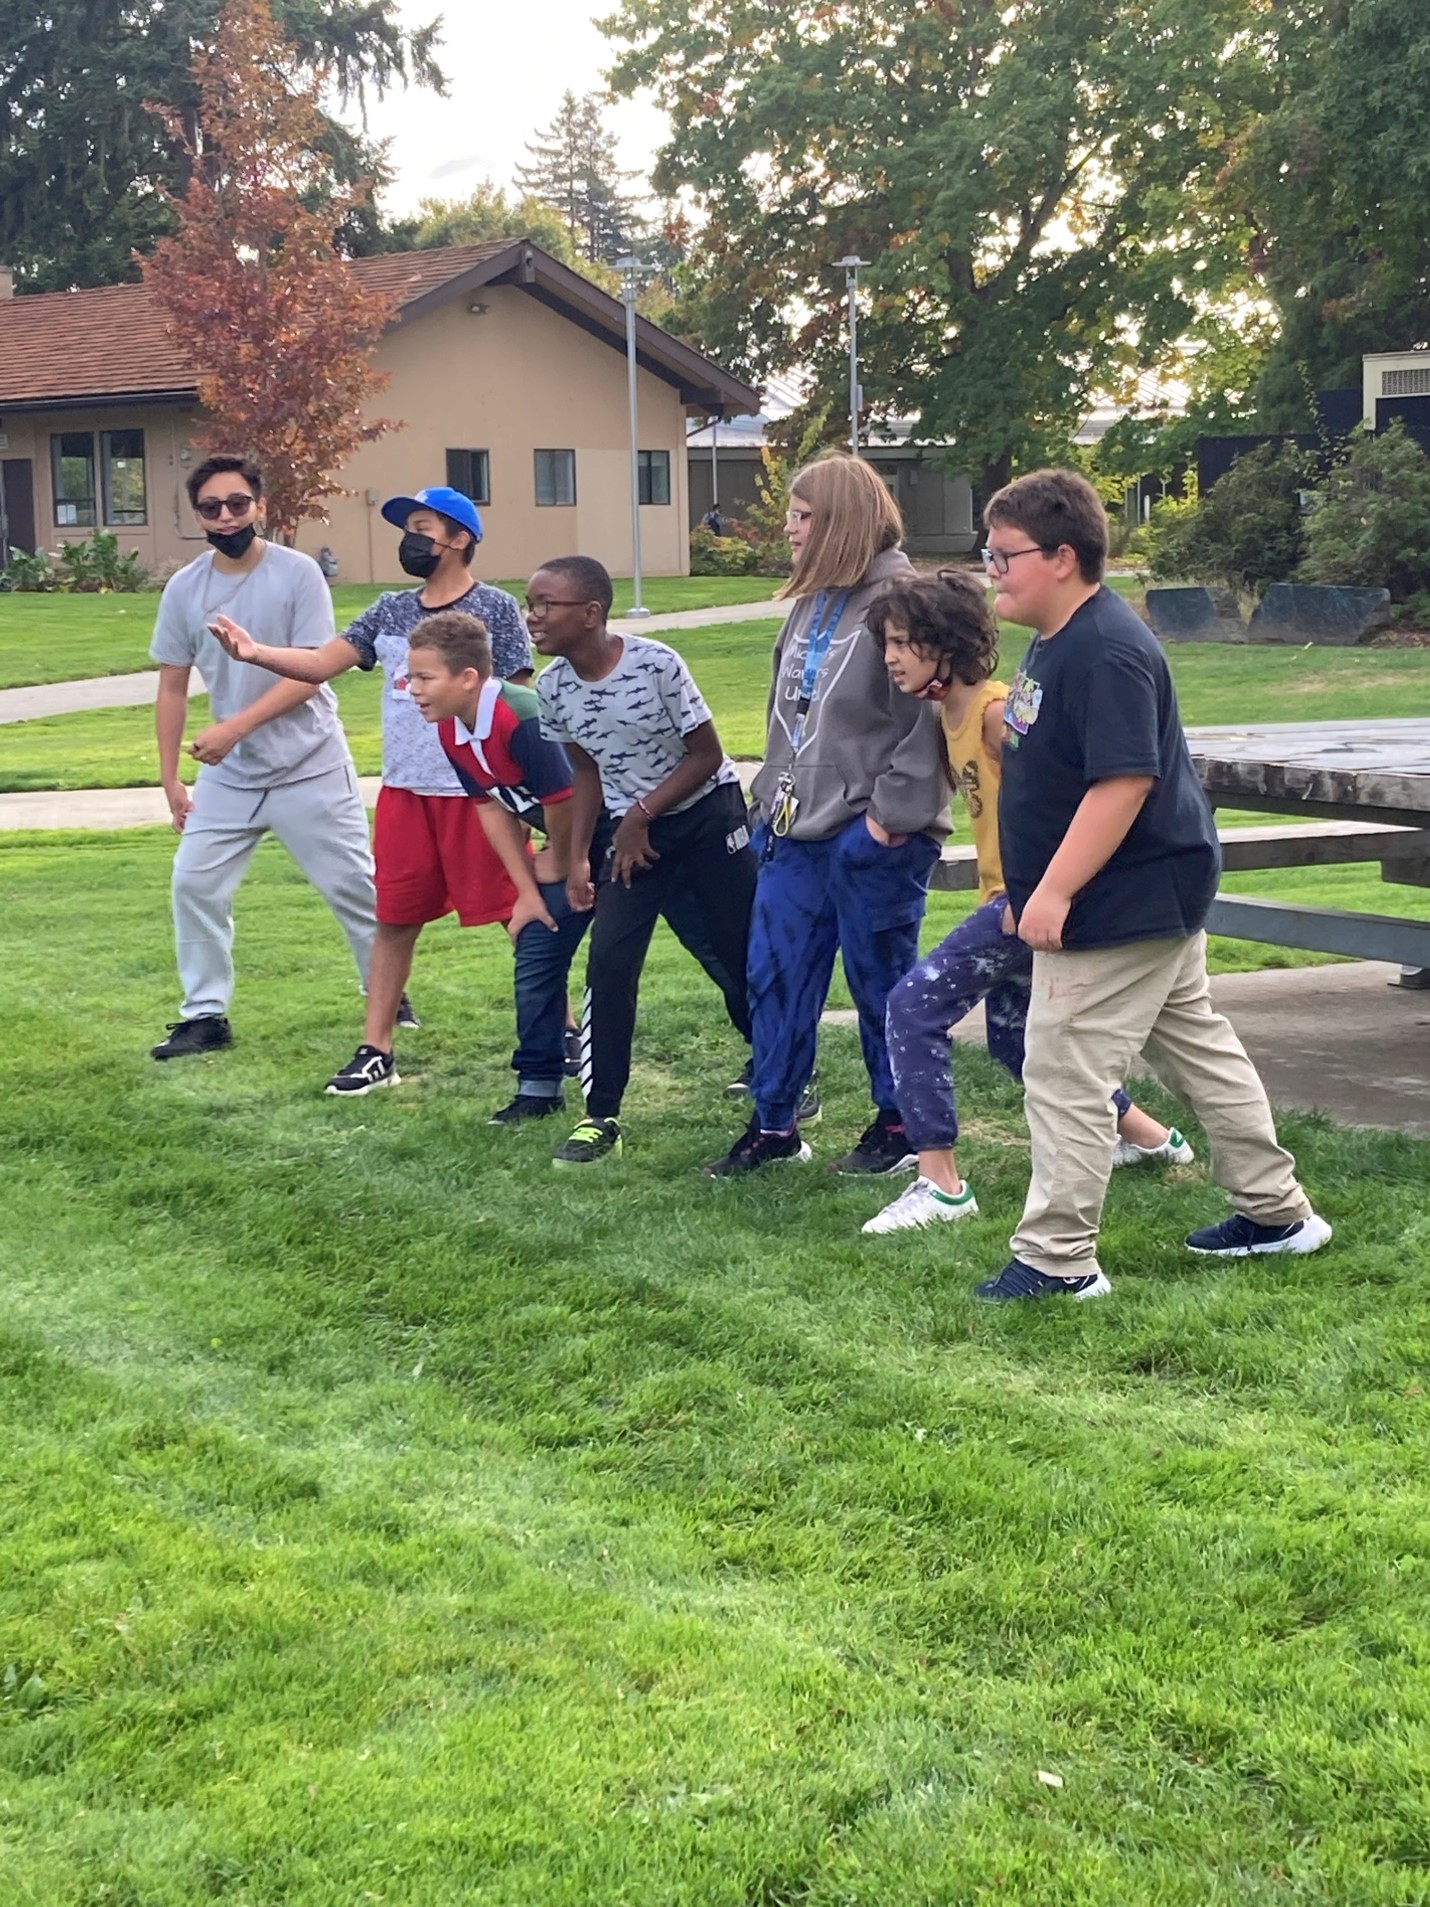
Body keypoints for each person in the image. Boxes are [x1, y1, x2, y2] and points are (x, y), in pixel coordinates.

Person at [975, 468, 1331, 1302]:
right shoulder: (1059, 636)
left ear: (1063, 556)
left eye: (1004, 555)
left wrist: (1054, 890)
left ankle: (1058, 1259)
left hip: (1122, 897)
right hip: (1141, 891)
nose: (991, 569)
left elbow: (1123, 782)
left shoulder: (1106, 649)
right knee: (1197, 1048)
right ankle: (1277, 1213)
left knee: (1062, 1065)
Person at [860, 570, 1194, 1236]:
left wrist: (1043, 890)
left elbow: (1064, 792)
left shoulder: (995, 710)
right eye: (887, 643)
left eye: (902, 641)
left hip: (1029, 901)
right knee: (1017, 1046)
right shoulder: (945, 712)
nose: (891, 656)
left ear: (944, 642)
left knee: (914, 1005)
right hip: (1008, 897)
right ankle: (1151, 1137)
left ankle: (941, 1184)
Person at [210, 483, 533, 1094]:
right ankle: (375, 1050)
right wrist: (255, 653)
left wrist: (518, 788)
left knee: (517, 914)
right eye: (407, 527)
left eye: (422, 527)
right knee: (393, 920)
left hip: (477, 792)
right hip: (406, 793)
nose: (410, 540)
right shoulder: (388, 610)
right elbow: (321, 662)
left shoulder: (495, 609)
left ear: (460, 539)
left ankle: (559, 1033)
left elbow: (517, 703)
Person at [707, 452, 948, 1178]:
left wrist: (885, 821)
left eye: (804, 516)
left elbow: (930, 718)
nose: (789, 528)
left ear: (841, 521)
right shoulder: (812, 602)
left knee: (880, 980)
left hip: (874, 834)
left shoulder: (906, 599)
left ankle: (900, 1121)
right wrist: (765, 802)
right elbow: (795, 719)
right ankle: (775, 1123)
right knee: (773, 974)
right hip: (792, 830)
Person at [148, 454, 377, 1059]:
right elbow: (172, 685)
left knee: (355, 886)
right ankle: (204, 1016)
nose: (226, 517)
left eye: (237, 504)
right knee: (193, 883)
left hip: (310, 763)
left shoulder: (298, 574)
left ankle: (385, 999)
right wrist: (170, 779)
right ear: (195, 515)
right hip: (231, 776)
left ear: (261, 506)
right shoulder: (185, 588)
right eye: (211, 508)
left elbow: (310, 673)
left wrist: (233, 728)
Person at [532, 555, 757, 1167]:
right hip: (634, 837)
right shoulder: (552, 686)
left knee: (739, 955)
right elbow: (585, 770)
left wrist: (640, 816)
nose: (535, 617)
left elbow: (707, 755)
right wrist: (577, 857)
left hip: (708, 817)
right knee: (609, 959)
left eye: (547, 605)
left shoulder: (656, 664)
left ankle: (780, 1076)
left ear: (591, 613)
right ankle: (600, 1114)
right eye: (532, 604)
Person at [404, 610, 591, 1121]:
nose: (412, 688)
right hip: (565, 848)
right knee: (535, 949)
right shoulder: (450, 727)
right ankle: (538, 1085)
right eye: (410, 676)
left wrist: (562, 855)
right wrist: (525, 888)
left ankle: (769, 1060)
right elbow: (492, 806)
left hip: (620, 839)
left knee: (709, 945)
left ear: (468, 678)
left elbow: (564, 795)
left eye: (423, 677)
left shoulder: (522, 716)